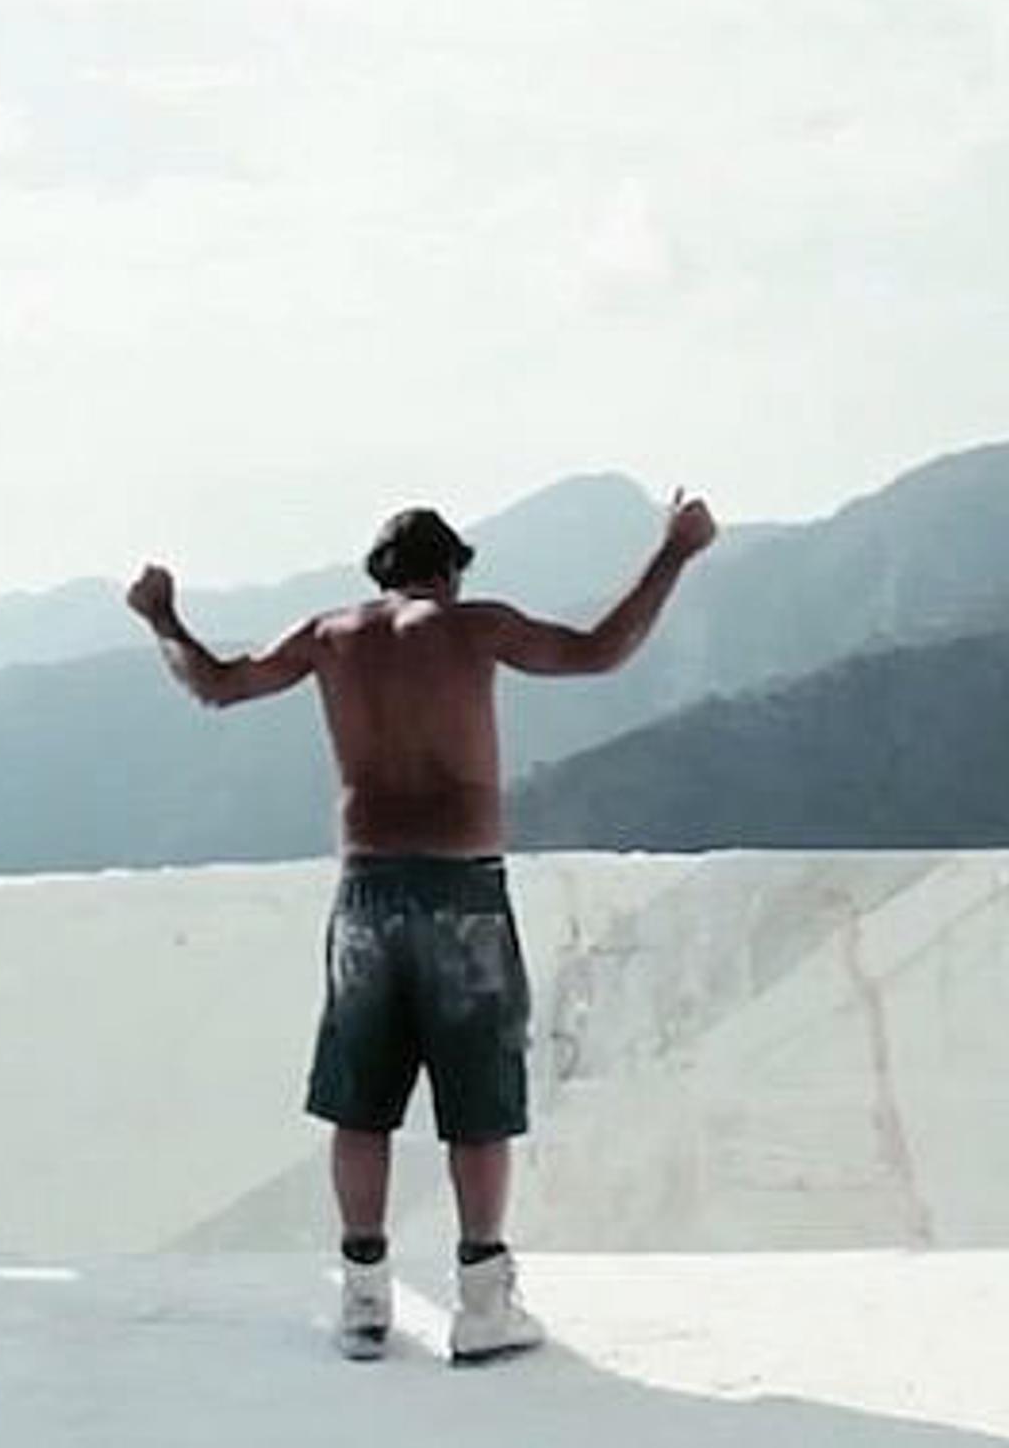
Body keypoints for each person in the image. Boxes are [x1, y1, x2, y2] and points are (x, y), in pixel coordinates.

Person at [124, 489, 719, 1365]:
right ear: (450, 570)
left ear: (381, 576)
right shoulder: (473, 626)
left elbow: (216, 684)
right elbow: (601, 651)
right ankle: (483, 1302)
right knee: (477, 1105)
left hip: (366, 895)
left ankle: (363, 1301)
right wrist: (675, 550)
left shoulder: (329, 636)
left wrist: (161, 614)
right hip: (463, 895)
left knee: (360, 1103)